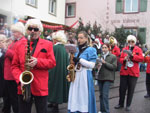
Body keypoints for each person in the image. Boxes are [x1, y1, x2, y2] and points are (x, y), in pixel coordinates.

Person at [11, 19, 56, 113]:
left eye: (35, 29)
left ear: (40, 31)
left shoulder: (48, 44)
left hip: (40, 86)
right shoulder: (19, 44)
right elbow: (14, 66)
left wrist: (38, 62)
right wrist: (20, 80)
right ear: (26, 30)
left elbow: (52, 63)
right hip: (23, 86)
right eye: (30, 28)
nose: (32, 31)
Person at [68, 31, 97, 113]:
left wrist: (79, 60)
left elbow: (92, 65)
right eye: (78, 38)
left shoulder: (91, 49)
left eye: (81, 38)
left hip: (85, 75)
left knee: (83, 96)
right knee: (75, 95)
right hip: (76, 75)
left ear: (86, 39)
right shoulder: (76, 49)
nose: (79, 40)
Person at [114, 35, 144, 111]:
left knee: (131, 89)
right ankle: (120, 103)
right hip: (124, 72)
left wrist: (132, 57)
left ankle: (128, 105)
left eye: (132, 42)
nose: (130, 43)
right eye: (129, 42)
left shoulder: (138, 49)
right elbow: (120, 59)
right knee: (122, 89)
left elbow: (141, 59)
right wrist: (124, 59)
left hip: (133, 73)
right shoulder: (124, 49)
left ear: (135, 42)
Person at [3, 22, 25, 113]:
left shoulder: (22, 41)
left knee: (14, 99)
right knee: (8, 97)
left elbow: (18, 57)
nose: (12, 34)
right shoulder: (15, 41)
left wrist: (5, 49)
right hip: (8, 74)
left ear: (20, 32)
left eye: (14, 32)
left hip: (13, 75)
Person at [48, 30, 69, 113]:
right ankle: (54, 103)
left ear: (55, 40)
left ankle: (54, 104)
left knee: (54, 87)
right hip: (62, 71)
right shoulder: (64, 48)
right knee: (59, 87)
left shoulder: (54, 48)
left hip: (54, 71)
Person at [96, 43, 117, 113]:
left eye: (105, 48)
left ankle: (106, 111)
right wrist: (97, 66)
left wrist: (105, 63)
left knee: (105, 95)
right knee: (101, 95)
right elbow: (95, 67)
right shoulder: (100, 56)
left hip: (108, 77)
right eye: (103, 48)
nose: (104, 49)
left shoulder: (113, 56)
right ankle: (102, 110)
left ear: (108, 48)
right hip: (100, 77)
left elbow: (114, 67)